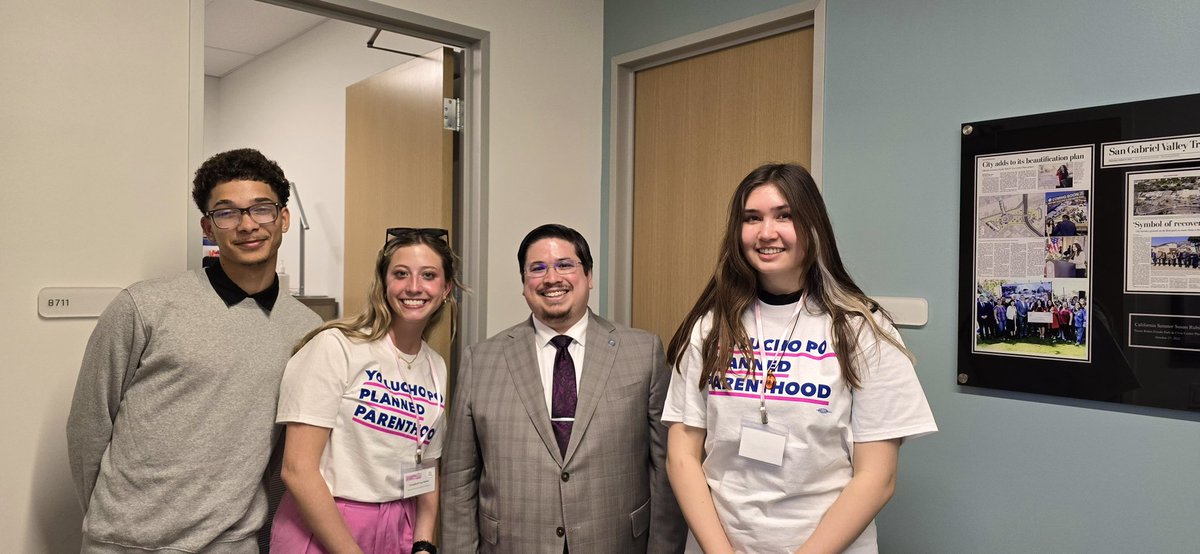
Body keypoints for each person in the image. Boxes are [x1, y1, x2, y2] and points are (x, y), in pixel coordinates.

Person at [661, 163, 937, 553]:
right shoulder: (710, 328)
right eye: (751, 218)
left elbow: (877, 477)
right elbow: (682, 456)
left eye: (784, 216)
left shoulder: (862, 329)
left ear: (813, 226)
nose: (766, 232)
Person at [67, 149, 323, 552]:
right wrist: (111, 521)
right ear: (209, 226)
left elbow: (286, 456)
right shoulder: (145, 306)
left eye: (261, 209)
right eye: (227, 213)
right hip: (123, 543)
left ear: (283, 218)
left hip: (231, 543)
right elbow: (88, 424)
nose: (247, 225)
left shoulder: (309, 331)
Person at [441, 224, 686, 553]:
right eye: (537, 268)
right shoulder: (480, 360)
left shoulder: (643, 352)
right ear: (524, 284)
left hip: (615, 543)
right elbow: (460, 478)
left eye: (565, 265)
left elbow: (667, 469)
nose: (551, 278)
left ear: (589, 276)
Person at [270, 228, 462, 554]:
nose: (414, 287)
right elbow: (297, 470)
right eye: (401, 274)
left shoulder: (434, 365)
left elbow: (427, 464)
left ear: (445, 289)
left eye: (428, 275)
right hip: (325, 525)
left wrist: (424, 543)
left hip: (399, 523)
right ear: (384, 283)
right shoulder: (337, 347)